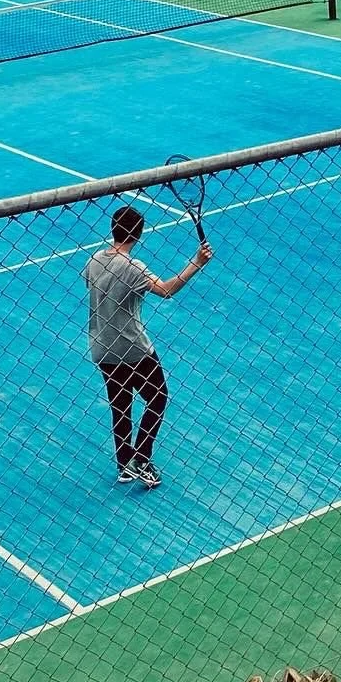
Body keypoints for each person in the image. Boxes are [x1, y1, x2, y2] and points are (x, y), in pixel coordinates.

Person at [84, 205, 211, 489]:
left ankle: (125, 465)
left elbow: (92, 285)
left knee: (121, 406)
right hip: (133, 348)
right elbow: (166, 290)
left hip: (101, 347)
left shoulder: (93, 260)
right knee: (158, 397)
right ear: (138, 234)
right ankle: (142, 457)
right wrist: (197, 263)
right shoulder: (133, 268)